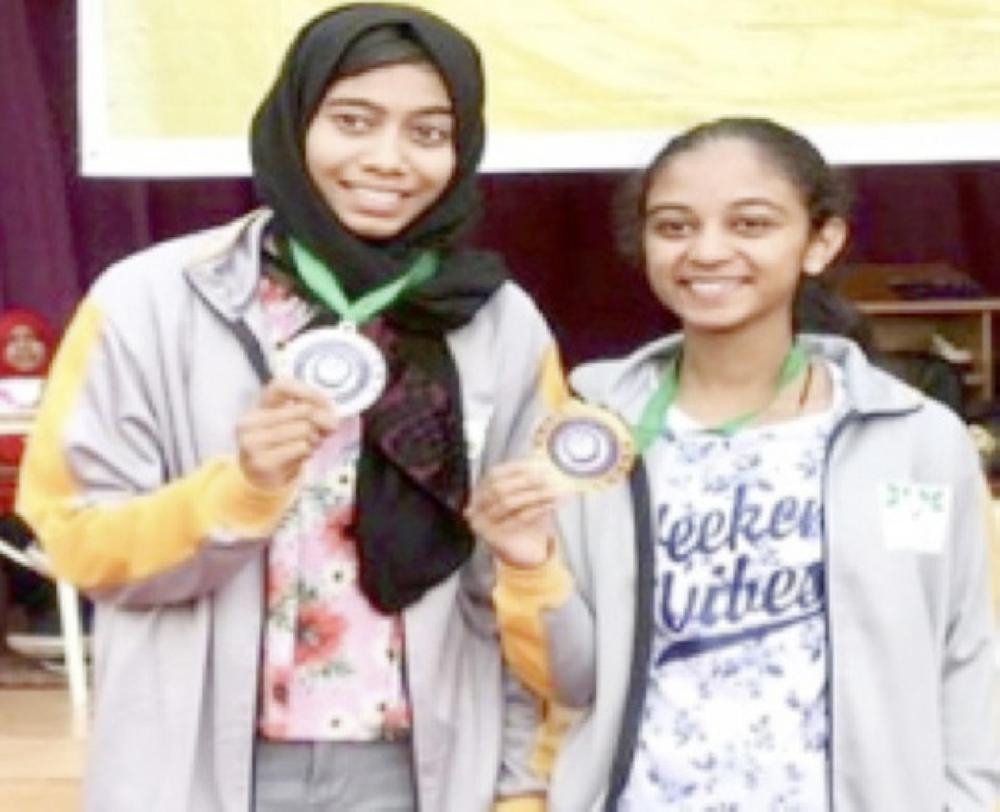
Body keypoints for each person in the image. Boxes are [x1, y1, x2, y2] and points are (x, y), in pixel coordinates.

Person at [17, 4, 559, 810]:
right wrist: (236, 491)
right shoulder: (148, 303)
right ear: (293, 120)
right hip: (195, 768)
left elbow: (525, 575)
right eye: (353, 120)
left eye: (428, 132)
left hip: (424, 770)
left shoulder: (497, 323)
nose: (388, 159)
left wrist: (519, 782)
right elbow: (75, 538)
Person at [467, 117, 1000, 810]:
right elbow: (575, 680)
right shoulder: (591, 434)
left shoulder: (915, 440)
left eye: (750, 224)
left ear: (821, 241)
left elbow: (965, 656)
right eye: (674, 226)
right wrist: (525, 558)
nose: (707, 251)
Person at [0, 308, 61, 686]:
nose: (23, 348)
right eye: (12, 341)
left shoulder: (67, 390)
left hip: (55, 505)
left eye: (31, 338)